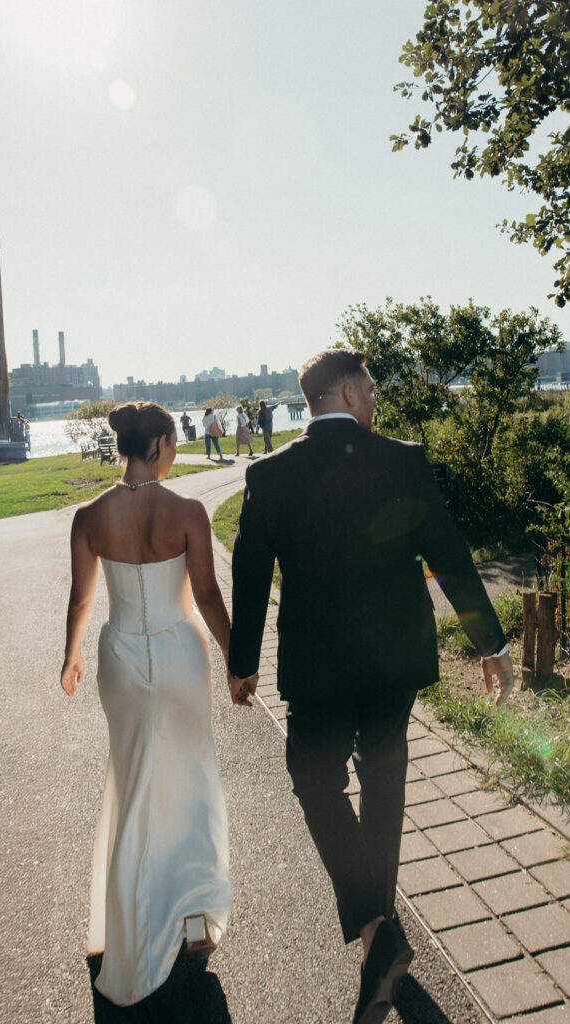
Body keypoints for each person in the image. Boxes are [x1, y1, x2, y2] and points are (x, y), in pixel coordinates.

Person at [227, 349, 514, 1024]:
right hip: (393, 661)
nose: (376, 398)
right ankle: (376, 934)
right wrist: (492, 645)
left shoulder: (269, 473)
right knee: (384, 784)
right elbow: (448, 555)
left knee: (314, 780)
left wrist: (242, 662)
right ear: (352, 392)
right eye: (372, 387)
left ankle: (373, 931)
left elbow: (248, 571)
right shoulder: (402, 460)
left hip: (316, 665)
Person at [60, 401, 232, 1007]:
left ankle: (130, 927)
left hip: (122, 658)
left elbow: (82, 598)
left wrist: (71, 655)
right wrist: (236, 660)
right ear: (158, 443)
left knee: (134, 784)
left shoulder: (89, 516)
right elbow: (207, 593)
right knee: (190, 780)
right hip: (181, 655)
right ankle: (193, 918)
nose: (176, 451)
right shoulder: (187, 511)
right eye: (175, 441)